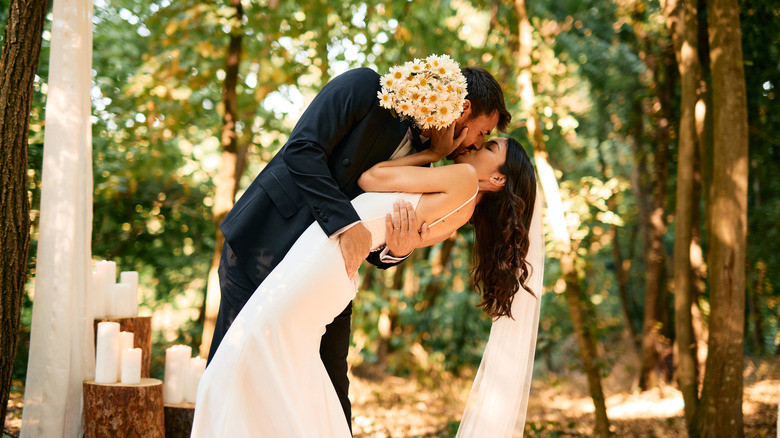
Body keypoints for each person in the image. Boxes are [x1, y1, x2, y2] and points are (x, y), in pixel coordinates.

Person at [208, 65, 512, 424]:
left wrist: (397, 251)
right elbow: (302, 150)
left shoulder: (428, 169)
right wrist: (346, 224)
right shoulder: (365, 88)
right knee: (234, 370)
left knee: (332, 395)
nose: (477, 143)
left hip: (328, 276)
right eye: (483, 132)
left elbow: (377, 240)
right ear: (461, 110)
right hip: (265, 244)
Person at [192, 137, 544, 437]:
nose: (478, 144)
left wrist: (432, 155)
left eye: (491, 145)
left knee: (247, 355)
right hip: (330, 262)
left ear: (497, 178)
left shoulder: (464, 178)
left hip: (325, 258)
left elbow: (372, 177)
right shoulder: (459, 214)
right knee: (287, 369)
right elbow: (393, 239)